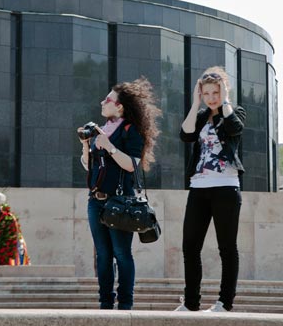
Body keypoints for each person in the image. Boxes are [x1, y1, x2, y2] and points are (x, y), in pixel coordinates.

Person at [78, 77, 161, 310]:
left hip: (120, 201)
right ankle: (105, 302)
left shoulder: (129, 130)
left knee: (122, 253)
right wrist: (86, 144)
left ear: (120, 106)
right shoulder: (100, 130)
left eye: (108, 100)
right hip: (96, 201)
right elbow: (88, 165)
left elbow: (132, 165)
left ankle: (125, 303)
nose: (102, 102)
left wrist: (110, 147)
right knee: (102, 255)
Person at [175, 66, 246, 312]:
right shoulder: (201, 115)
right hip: (199, 187)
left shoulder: (234, 111)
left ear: (224, 90)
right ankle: (191, 304)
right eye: (206, 93)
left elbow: (235, 128)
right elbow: (185, 135)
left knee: (227, 247)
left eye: (215, 92)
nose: (211, 97)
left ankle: (225, 303)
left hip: (226, 187)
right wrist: (196, 104)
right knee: (190, 246)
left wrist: (225, 101)